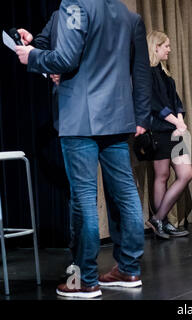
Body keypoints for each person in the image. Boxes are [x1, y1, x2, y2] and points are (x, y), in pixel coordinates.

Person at [16, 0, 149, 298]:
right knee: (125, 192)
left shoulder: (74, 5)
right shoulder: (128, 15)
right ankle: (128, 269)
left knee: (85, 198)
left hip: (81, 117)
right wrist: (141, 116)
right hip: (117, 116)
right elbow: (140, 70)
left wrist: (32, 57)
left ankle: (85, 278)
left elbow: (65, 59)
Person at [143, 31, 192, 240]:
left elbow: (175, 101)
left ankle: (159, 218)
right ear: (155, 47)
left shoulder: (165, 72)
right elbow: (155, 105)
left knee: (185, 174)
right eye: (166, 46)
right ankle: (162, 222)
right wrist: (176, 122)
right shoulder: (146, 72)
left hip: (174, 130)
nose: (169, 50)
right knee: (161, 176)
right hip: (160, 131)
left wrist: (179, 121)